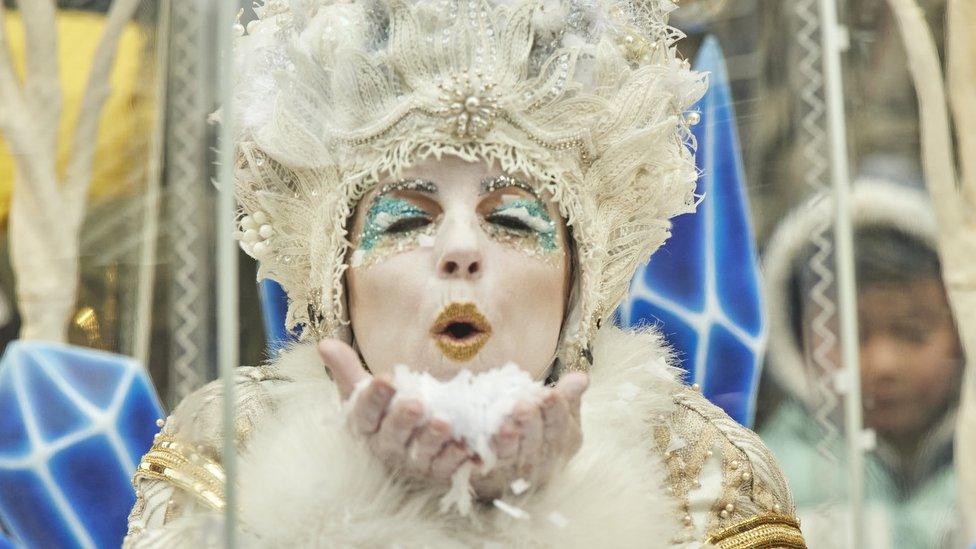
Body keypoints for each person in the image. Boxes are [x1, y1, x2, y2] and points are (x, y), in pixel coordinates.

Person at [124, 0, 805, 546]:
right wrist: (364, 499)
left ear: (578, 279)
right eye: (403, 220)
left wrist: (551, 512)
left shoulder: (698, 465)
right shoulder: (233, 443)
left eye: (511, 220)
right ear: (339, 282)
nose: (459, 248)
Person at [759, 179, 963, 548]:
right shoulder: (769, 483)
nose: (883, 364)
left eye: (912, 331)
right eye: (846, 335)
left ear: (963, 330)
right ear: (795, 335)